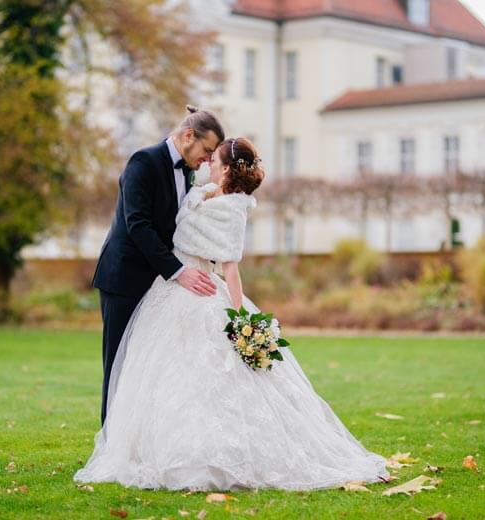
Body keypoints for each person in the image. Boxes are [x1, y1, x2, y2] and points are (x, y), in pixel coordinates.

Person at [76, 138, 390, 491]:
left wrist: (240, 319)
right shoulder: (205, 193)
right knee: (167, 376)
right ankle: (147, 449)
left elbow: (231, 266)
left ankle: (208, 456)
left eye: (215, 159)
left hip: (202, 290)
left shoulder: (232, 208)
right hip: (171, 291)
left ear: (226, 168)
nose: (208, 162)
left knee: (205, 378)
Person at [91, 106, 225, 426]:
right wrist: (179, 271)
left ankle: (141, 438)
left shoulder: (189, 173)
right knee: (119, 363)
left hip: (158, 286)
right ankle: (111, 441)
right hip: (124, 279)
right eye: (206, 152)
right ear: (188, 136)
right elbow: (137, 225)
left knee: (149, 367)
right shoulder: (144, 161)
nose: (207, 161)